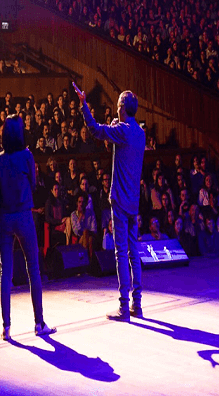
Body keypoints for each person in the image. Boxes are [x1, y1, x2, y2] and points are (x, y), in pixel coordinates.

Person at [75, 85, 145, 321]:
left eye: (117, 106)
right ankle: (137, 304)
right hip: (134, 200)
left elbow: (95, 130)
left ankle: (124, 307)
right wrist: (116, 125)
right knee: (133, 251)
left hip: (120, 199)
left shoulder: (123, 131)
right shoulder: (140, 133)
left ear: (123, 109)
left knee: (120, 253)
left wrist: (84, 104)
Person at [0, 114, 55, 340]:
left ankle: (6, 327)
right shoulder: (27, 156)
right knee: (33, 269)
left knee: (5, 272)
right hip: (23, 215)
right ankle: (39, 323)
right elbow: (32, 184)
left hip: (4, 218)